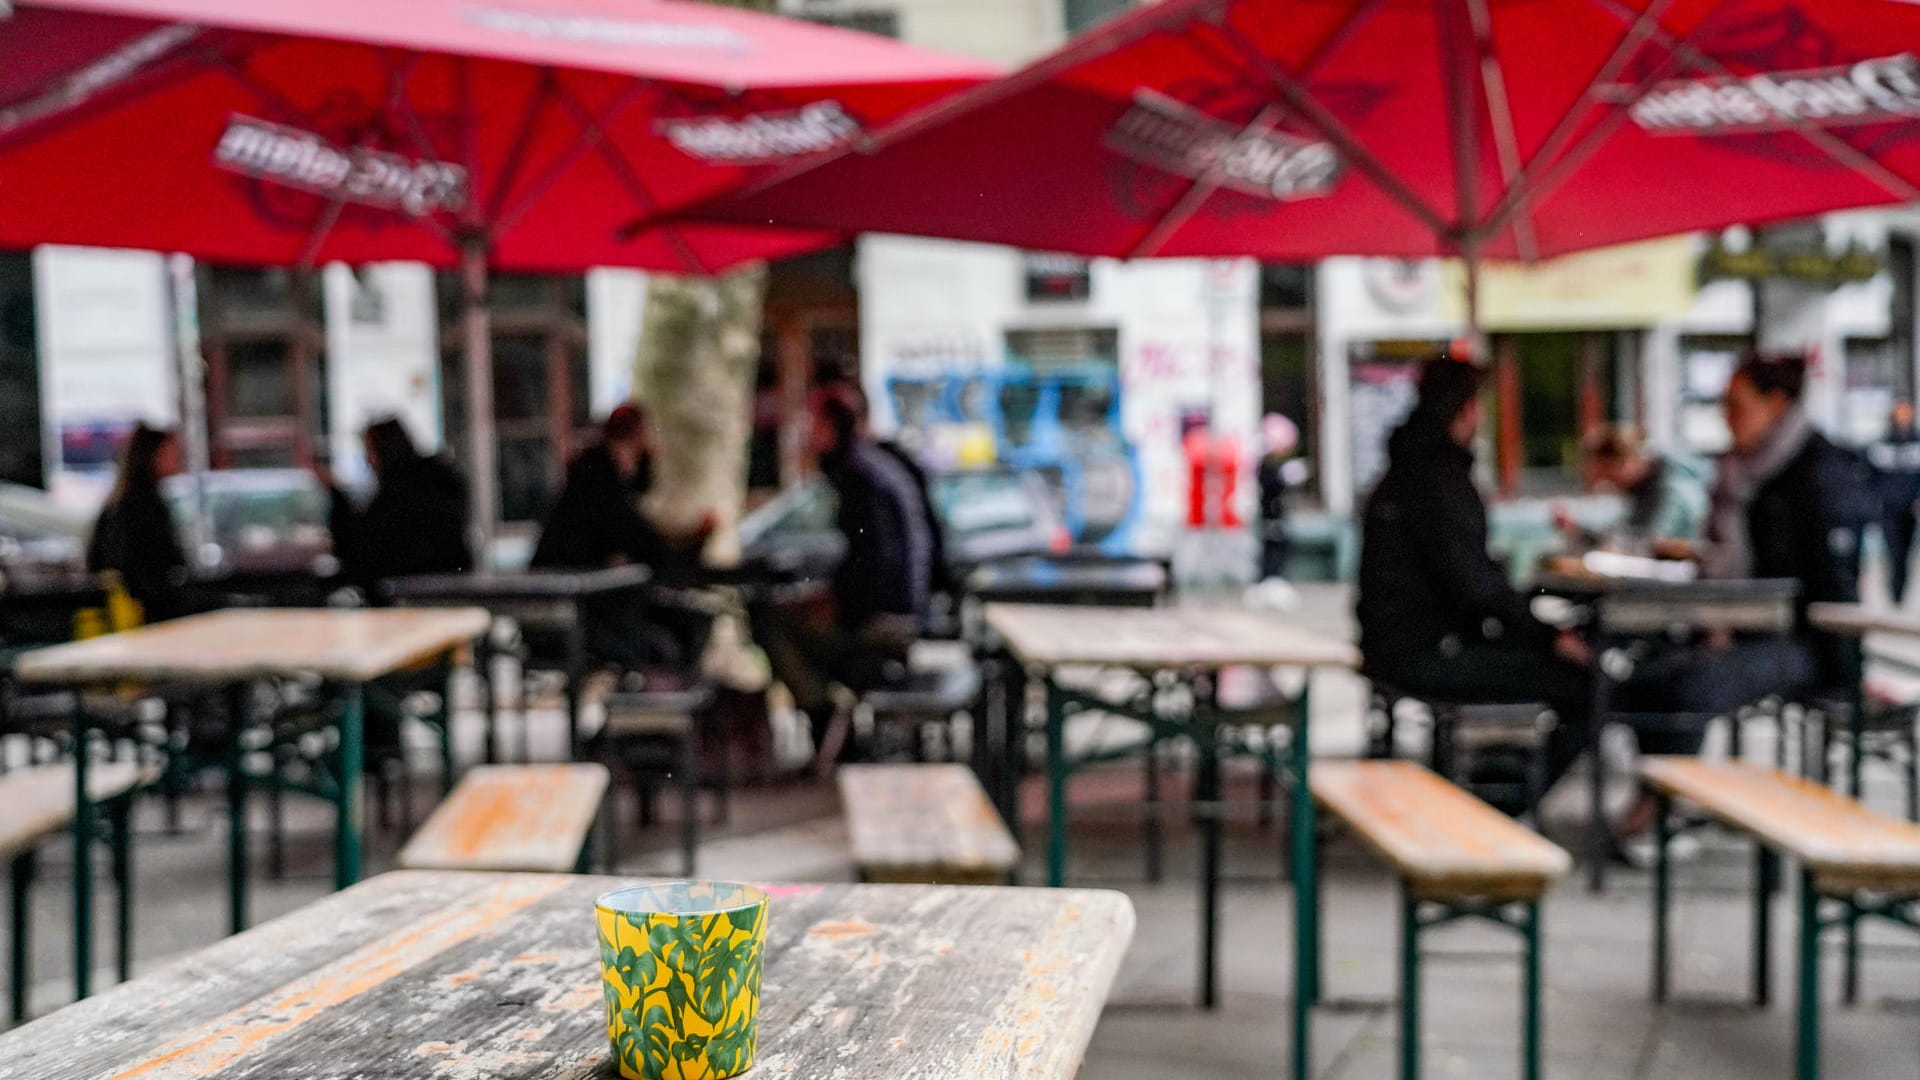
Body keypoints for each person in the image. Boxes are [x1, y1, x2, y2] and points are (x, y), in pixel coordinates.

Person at [1611, 355, 1873, 854]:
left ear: (1776, 404)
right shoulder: (1740, 470)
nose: (1726, 418)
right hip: (1735, 623)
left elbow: (1836, 586)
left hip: (1801, 639)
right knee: (1646, 677)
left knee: (1688, 687)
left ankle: (1662, 809)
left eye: (1736, 406)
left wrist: (1850, 677)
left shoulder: (1814, 472)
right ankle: (1661, 798)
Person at [1356, 354, 1594, 812]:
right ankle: (1498, 807)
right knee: (1583, 685)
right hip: (1426, 652)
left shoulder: (1403, 468)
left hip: (1395, 643)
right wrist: (1546, 636)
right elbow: (1474, 585)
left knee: (1533, 667)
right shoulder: (1440, 477)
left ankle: (1491, 787)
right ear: (1466, 411)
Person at [753, 384, 936, 764]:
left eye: (813, 423)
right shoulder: (871, 466)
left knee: (773, 624)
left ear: (832, 426)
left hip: (883, 620)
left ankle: (826, 723)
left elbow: (872, 564)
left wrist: (833, 603)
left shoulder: (858, 475)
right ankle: (831, 724)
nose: (805, 432)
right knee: (794, 618)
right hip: (901, 611)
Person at [530, 404, 711, 669]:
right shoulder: (601, 483)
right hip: (577, 612)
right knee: (669, 641)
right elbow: (644, 544)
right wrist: (694, 541)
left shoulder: (598, 477)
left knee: (682, 625)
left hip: (588, 605)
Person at [325, 417, 472, 591]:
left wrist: (336, 495)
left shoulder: (398, 491)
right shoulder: (436, 478)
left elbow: (361, 548)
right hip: (449, 579)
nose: (367, 460)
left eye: (369, 451)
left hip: (411, 588)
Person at [87, 422, 193, 621]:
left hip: (128, 609)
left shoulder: (121, 500)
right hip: (146, 610)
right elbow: (153, 561)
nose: (179, 458)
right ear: (153, 455)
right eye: (172, 452)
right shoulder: (143, 504)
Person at [1555, 425, 1708, 551]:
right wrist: (1580, 530)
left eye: (1608, 472)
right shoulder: (1645, 488)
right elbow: (1631, 531)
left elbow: (1651, 542)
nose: (1609, 483)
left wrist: (1584, 533)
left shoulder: (1669, 488)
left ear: (1628, 460)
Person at [1869, 400, 1920, 605]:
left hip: (1910, 508)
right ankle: (1895, 592)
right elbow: (1872, 478)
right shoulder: (1882, 444)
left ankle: (1901, 589)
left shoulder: (1917, 443)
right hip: (1888, 507)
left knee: (1906, 552)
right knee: (1893, 552)